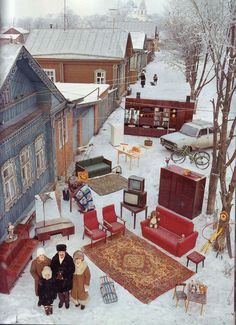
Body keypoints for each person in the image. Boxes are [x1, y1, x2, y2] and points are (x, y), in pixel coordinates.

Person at [50, 244, 75, 309]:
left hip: (66, 280)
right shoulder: (54, 259)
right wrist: (57, 274)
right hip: (57, 280)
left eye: (63, 252)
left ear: (65, 251)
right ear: (57, 252)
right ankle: (61, 301)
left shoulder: (69, 259)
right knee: (59, 292)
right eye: (60, 252)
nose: (61, 253)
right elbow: (52, 269)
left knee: (66, 292)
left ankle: (67, 301)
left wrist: (65, 275)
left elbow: (72, 269)